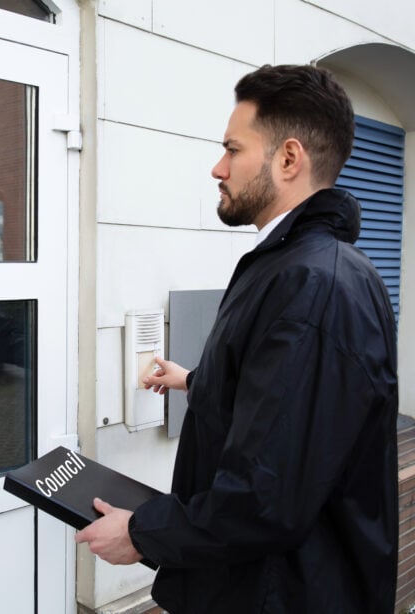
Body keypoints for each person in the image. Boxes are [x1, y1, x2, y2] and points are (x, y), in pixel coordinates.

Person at [75, 65, 399, 613]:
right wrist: (193, 381)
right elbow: (281, 399)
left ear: (288, 159)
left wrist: (142, 533)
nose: (217, 168)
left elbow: (265, 496)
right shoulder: (295, 266)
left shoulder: (313, 285)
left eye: (232, 149)